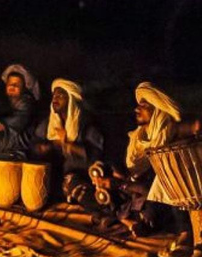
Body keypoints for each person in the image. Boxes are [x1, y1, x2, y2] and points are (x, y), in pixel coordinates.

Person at [88, 83, 184, 237]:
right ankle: (128, 222)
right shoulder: (137, 138)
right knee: (103, 196)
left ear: (157, 110)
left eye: (143, 106)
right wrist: (115, 178)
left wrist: (123, 184)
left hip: (160, 199)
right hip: (136, 192)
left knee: (149, 210)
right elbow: (131, 176)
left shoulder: (169, 141)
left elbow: (155, 190)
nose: (136, 109)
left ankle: (132, 222)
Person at [30, 79, 104, 201]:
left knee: (75, 185)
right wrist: (45, 148)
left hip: (80, 174)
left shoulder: (85, 123)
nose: (55, 99)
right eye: (54, 95)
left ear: (71, 100)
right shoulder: (48, 124)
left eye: (60, 95)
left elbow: (95, 154)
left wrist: (67, 145)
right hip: (56, 174)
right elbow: (34, 145)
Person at [0, 64, 40, 160]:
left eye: (17, 85)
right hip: (4, 149)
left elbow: (20, 118)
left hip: (19, 151)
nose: (12, 86)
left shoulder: (26, 102)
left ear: (24, 87)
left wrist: (1, 125)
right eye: (10, 84)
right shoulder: (5, 102)